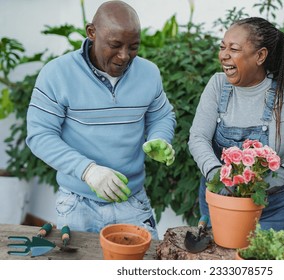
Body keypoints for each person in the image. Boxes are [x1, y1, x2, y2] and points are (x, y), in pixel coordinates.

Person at [26, 1, 176, 240]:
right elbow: (39, 135)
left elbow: (162, 114)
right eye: (115, 45)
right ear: (91, 32)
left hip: (133, 201)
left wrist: (160, 136)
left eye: (134, 47)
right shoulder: (56, 74)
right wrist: (88, 171)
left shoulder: (149, 73)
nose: (125, 56)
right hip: (77, 204)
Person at [188, 17, 284, 234]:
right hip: (220, 201)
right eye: (222, 47)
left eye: (234, 49)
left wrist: (282, 175)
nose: (223, 55)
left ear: (260, 55)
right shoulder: (217, 85)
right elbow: (198, 138)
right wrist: (216, 172)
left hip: (272, 207)